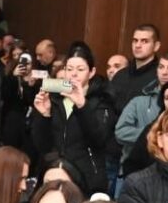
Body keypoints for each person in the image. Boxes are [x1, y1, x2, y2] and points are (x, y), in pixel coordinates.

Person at [31, 45, 116, 195]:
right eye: (69, 69)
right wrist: (44, 115)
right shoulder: (54, 98)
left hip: (87, 177)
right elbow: (42, 145)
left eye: (80, 69)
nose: (74, 74)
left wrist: (82, 106)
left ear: (91, 72)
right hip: (55, 172)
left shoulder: (102, 100)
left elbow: (99, 140)